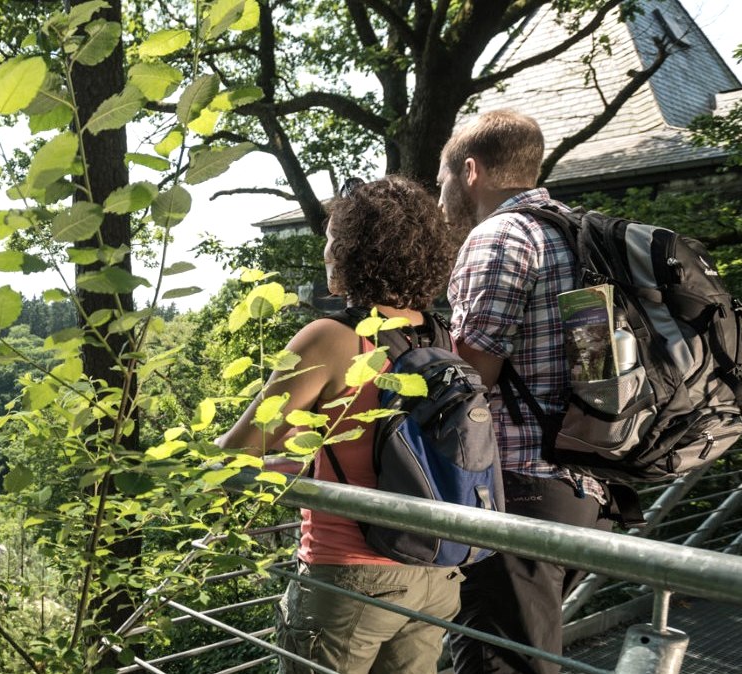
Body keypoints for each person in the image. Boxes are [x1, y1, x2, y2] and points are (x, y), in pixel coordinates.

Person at [220, 175, 462, 674]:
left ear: (355, 251)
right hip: (434, 576)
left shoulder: (330, 338)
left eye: (332, 237)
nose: (326, 249)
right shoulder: (442, 339)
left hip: (348, 580)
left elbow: (241, 448)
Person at [439, 109, 614, 674]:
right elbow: (596, 363)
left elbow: (471, 378)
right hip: (582, 483)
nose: (439, 199)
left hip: (517, 489)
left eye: (440, 181)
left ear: (470, 170)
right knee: (526, 653)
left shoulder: (499, 236)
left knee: (499, 661)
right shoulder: (578, 231)